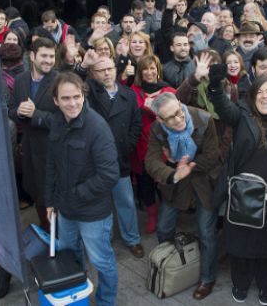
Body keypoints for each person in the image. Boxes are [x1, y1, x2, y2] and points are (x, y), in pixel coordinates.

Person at [208, 71, 267, 305]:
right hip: (241, 196)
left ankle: (265, 285)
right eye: (259, 92)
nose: (264, 96)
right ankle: (240, 283)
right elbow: (221, 105)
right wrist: (214, 84)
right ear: (251, 97)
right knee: (239, 245)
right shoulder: (241, 115)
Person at [44, 72, 120, 306]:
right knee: (70, 256)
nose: (72, 103)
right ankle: (77, 298)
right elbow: (51, 164)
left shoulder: (97, 128)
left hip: (92, 213)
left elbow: (109, 175)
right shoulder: (57, 121)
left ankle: (106, 301)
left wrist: (75, 195)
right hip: (65, 209)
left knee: (102, 261)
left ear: (83, 95)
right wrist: (50, 200)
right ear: (56, 101)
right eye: (65, 98)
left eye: (77, 97)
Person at [144, 93, 222, 300]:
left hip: (203, 178)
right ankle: (172, 265)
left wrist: (183, 163)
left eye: (179, 112)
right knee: (164, 227)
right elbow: (150, 161)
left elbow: (213, 155)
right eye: (170, 118)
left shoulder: (204, 119)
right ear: (160, 120)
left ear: (180, 104)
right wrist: (173, 173)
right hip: (177, 181)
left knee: (206, 231)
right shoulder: (157, 129)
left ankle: (207, 278)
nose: (179, 119)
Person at [85, 55, 145, 258]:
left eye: (109, 68)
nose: (106, 73)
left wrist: (127, 145)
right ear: (94, 74)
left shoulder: (128, 94)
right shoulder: (89, 95)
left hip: (120, 158)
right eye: (101, 70)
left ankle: (132, 239)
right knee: (102, 202)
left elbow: (136, 125)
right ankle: (105, 239)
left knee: (126, 200)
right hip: (96, 159)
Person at [7, 37, 58, 231]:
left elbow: (65, 120)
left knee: (52, 198)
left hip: (52, 151)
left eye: (52, 56)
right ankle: (46, 230)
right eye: (44, 56)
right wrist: (19, 112)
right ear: (32, 56)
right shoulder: (20, 80)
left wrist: (36, 115)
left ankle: (59, 238)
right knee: (37, 194)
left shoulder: (58, 80)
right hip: (30, 150)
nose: (48, 60)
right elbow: (11, 109)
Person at [130, 55, 176, 233]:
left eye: (152, 68)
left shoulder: (169, 91)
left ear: (158, 69)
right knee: (146, 183)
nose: (149, 72)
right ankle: (152, 216)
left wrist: (151, 109)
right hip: (142, 146)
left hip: (165, 147)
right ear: (140, 72)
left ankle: (166, 217)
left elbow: (173, 116)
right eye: (145, 69)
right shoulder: (133, 90)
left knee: (165, 183)